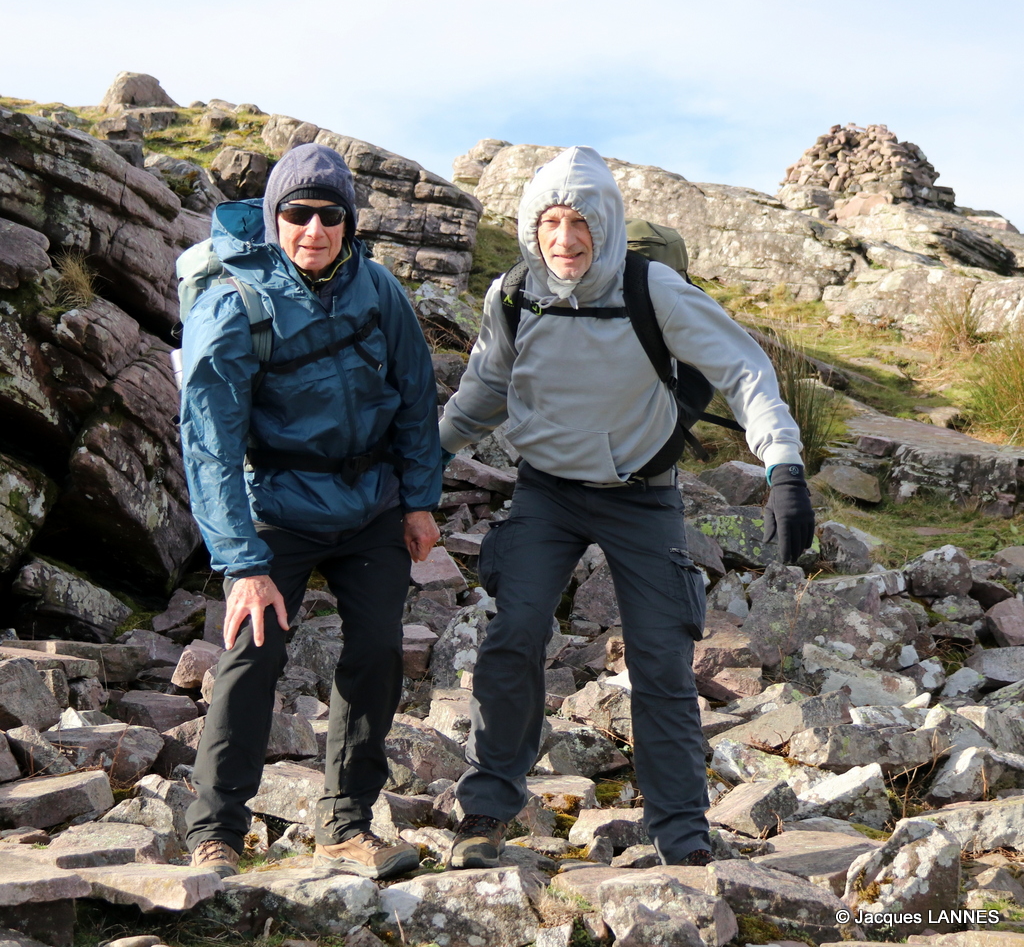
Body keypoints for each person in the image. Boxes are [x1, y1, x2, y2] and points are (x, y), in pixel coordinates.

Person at [438, 146, 814, 868]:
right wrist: (424, 461)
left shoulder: (654, 289)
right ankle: (485, 811)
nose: (565, 238)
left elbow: (744, 369)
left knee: (660, 660)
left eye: (580, 222)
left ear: (606, 224)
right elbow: (483, 391)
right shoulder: (514, 294)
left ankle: (682, 838)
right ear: (531, 226)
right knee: (513, 633)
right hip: (547, 492)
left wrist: (784, 467)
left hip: (643, 497)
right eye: (551, 221)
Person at [179, 143, 441, 880]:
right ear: (275, 218)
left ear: (350, 222)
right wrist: (241, 564)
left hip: (371, 506)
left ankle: (347, 825)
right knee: (252, 652)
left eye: (330, 215)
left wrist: (420, 501)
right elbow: (209, 445)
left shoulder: (379, 289)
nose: (314, 230)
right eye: (298, 214)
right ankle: (216, 832)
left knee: (377, 652)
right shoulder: (234, 302)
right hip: (278, 507)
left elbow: (417, 396)